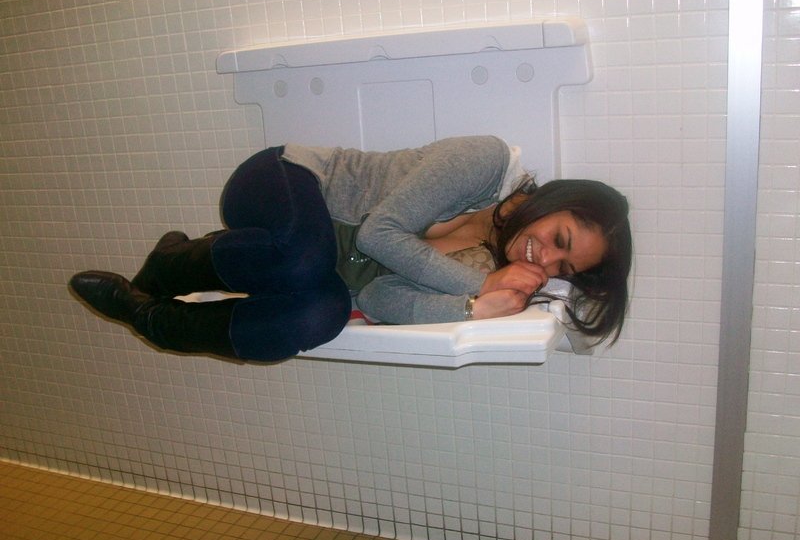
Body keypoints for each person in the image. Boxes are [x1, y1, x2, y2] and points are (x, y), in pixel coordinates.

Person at [69, 135, 632, 362]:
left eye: (563, 265)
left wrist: (474, 308)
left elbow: (381, 298)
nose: (544, 260)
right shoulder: (486, 164)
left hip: (305, 263)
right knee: (304, 260)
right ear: (553, 200)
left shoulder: (488, 263)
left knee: (323, 313)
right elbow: (377, 234)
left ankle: (152, 320)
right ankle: (171, 264)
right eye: (559, 239)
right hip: (288, 181)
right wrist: (480, 286)